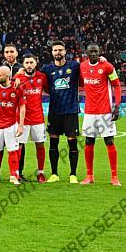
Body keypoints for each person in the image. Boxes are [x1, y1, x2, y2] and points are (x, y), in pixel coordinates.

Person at [79, 43, 122, 186]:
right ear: (86, 53)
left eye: (96, 51)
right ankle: (89, 176)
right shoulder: (82, 66)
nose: (94, 54)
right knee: (88, 142)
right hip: (89, 112)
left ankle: (114, 177)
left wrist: (117, 105)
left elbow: (117, 85)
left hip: (105, 111)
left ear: (100, 52)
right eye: (91, 52)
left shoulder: (107, 66)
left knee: (109, 141)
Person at [40, 40, 81, 183]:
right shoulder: (46, 69)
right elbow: (33, 75)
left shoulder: (74, 66)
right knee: (53, 143)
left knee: (72, 143)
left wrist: (101, 60)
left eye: (60, 50)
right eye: (55, 50)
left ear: (65, 51)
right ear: (52, 52)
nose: (58, 52)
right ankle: (54, 174)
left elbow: (88, 69)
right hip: (55, 111)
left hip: (71, 110)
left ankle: (73, 174)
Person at [14, 54, 48, 182]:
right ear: (23, 64)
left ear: (36, 63)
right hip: (22, 119)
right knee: (19, 146)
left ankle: (40, 172)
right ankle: (16, 172)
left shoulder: (42, 77)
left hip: (38, 118)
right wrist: (16, 76)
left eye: (31, 62)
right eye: (26, 63)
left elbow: (48, 90)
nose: (29, 65)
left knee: (40, 144)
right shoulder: (17, 78)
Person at [0, 65, 25, 185]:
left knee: (13, 151)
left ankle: (13, 176)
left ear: (7, 76)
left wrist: (21, 125)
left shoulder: (17, 88)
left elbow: (22, 106)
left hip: (11, 125)